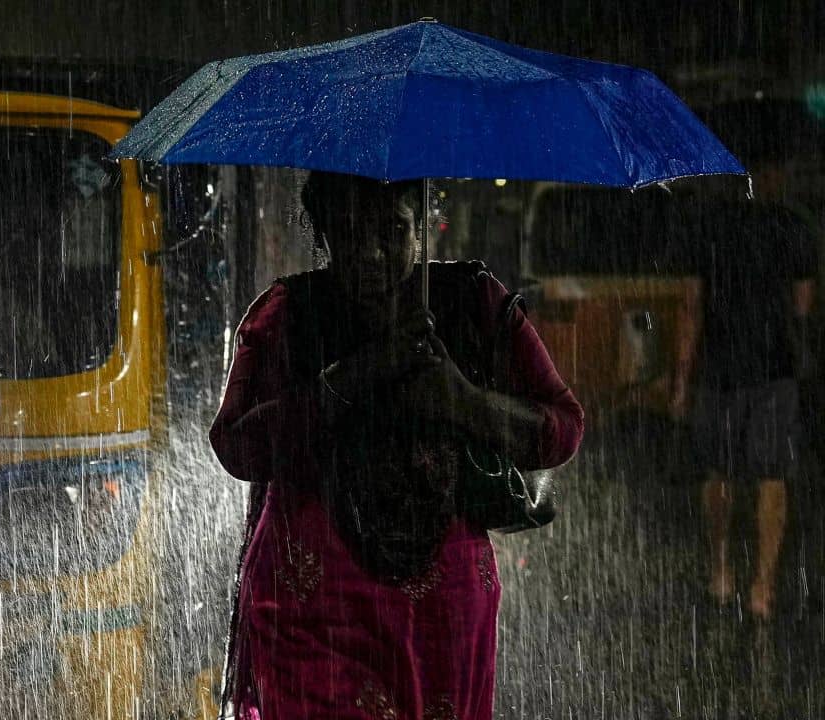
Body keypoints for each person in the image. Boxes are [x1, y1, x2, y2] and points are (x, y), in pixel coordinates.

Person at [210, 171, 584, 720]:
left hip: (440, 620)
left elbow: (563, 427)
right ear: (324, 232)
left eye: (393, 229)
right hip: (314, 617)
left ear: (422, 229)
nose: (373, 252)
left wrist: (462, 401)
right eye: (352, 231)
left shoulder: (471, 300)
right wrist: (353, 377)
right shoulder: (288, 311)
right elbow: (235, 446)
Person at [684, 188, 817, 621]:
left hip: (721, 366)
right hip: (773, 365)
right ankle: (763, 583)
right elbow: (802, 303)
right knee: (772, 473)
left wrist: (683, 375)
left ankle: (721, 569)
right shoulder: (792, 224)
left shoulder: (710, 223)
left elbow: (693, 303)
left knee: (720, 470)